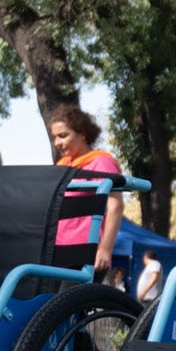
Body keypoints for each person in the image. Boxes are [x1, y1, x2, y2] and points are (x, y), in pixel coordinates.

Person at [46, 105, 126, 280]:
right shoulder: (62, 167)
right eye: (54, 137)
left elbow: (116, 206)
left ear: (82, 133)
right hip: (58, 252)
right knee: (48, 305)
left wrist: (105, 249)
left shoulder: (101, 162)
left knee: (69, 305)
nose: (57, 143)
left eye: (63, 135)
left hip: (87, 252)